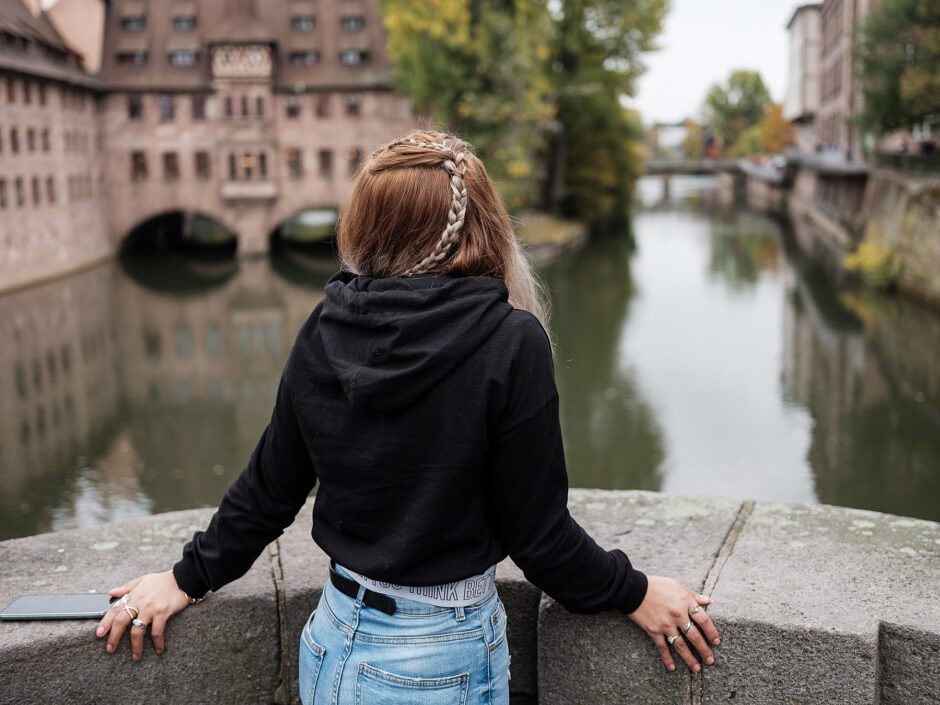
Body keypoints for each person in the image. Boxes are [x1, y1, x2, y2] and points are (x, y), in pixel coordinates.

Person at [95, 130, 720, 703]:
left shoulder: (326, 323)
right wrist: (634, 591)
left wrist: (185, 577)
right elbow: (538, 536)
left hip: (331, 642)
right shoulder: (509, 340)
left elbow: (270, 489)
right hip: (436, 659)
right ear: (483, 225)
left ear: (366, 225)